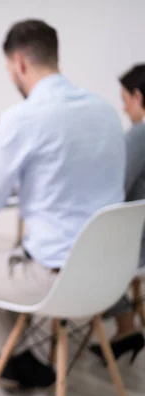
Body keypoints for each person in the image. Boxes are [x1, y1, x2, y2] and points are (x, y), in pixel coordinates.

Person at [0, 20, 125, 390]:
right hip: (109, 275)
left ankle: (19, 357)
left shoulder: (22, 118)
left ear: (19, 62)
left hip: (52, 279)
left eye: (9, 70)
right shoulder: (106, 113)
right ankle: (27, 357)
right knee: (17, 250)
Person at [89, 64, 145, 363]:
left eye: (124, 100)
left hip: (137, 243)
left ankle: (125, 325)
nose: (124, 109)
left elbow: (113, 188)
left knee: (74, 254)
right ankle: (125, 329)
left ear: (138, 96)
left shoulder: (141, 133)